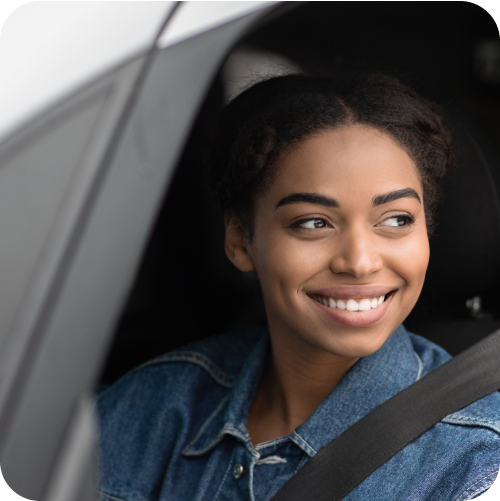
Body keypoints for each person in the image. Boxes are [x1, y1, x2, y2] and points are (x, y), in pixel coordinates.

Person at [96, 73, 500, 501]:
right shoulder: (154, 406)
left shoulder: (474, 463)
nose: (360, 263)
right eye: (313, 223)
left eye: (397, 220)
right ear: (240, 240)